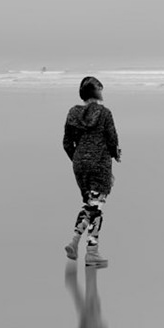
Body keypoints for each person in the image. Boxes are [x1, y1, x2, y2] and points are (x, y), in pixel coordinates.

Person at [62, 75, 121, 268]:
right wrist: (116, 155)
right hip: (99, 164)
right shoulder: (104, 113)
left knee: (90, 204)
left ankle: (74, 242)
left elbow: (66, 143)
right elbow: (112, 140)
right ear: (96, 93)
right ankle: (92, 252)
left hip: (79, 165)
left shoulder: (72, 113)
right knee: (97, 207)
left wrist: (79, 159)